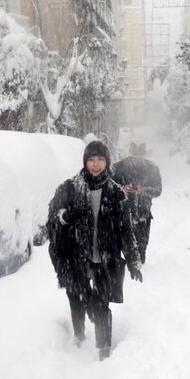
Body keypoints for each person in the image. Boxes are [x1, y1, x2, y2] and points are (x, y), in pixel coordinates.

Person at [47, 139, 142, 360]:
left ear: (106, 161)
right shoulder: (70, 188)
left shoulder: (117, 193)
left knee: (101, 304)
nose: (96, 164)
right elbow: (52, 218)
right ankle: (79, 336)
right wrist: (66, 216)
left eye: (100, 159)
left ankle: (104, 349)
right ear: (85, 161)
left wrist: (133, 259)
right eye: (91, 159)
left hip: (105, 258)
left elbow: (127, 230)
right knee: (76, 297)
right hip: (75, 256)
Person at [112, 141, 163, 263]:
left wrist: (144, 190)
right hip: (123, 214)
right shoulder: (118, 167)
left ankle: (142, 272)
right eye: (135, 157)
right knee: (124, 246)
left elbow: (158, 190)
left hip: (144, 214)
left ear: (144, 156)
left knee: (142, 247)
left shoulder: (153, 169)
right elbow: (109, 186)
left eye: (140, 157)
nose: (137, 160)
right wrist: (121, 188)